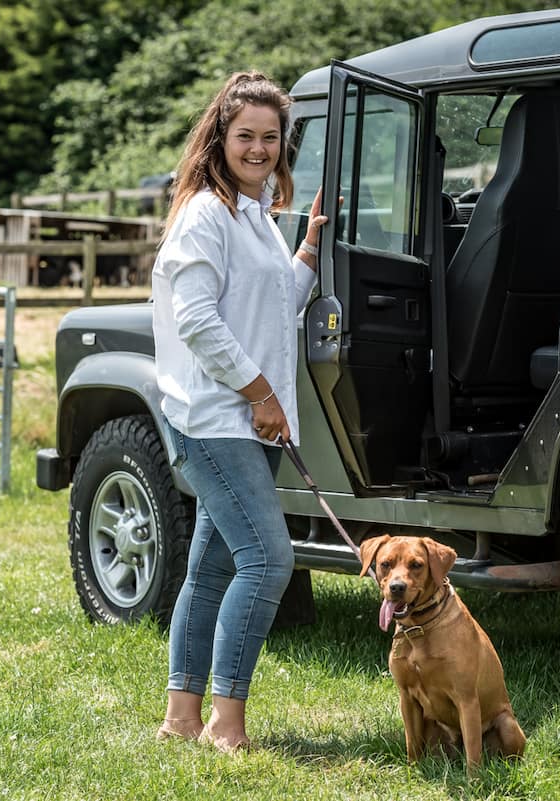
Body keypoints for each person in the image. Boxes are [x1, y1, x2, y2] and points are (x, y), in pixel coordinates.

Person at [150, 71, 329, 752]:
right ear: (219, 139)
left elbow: (272, 302)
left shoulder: (254, 215)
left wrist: (307, 246)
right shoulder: (205, 214)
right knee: (268, 559)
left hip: (242, 419)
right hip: (214, 419)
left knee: (213, 568)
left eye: (269, 138)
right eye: (244, 135)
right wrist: (260, 392)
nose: (257, 148)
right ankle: (226, 722)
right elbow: (195, 318)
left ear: (282, 147)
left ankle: (181, 715)